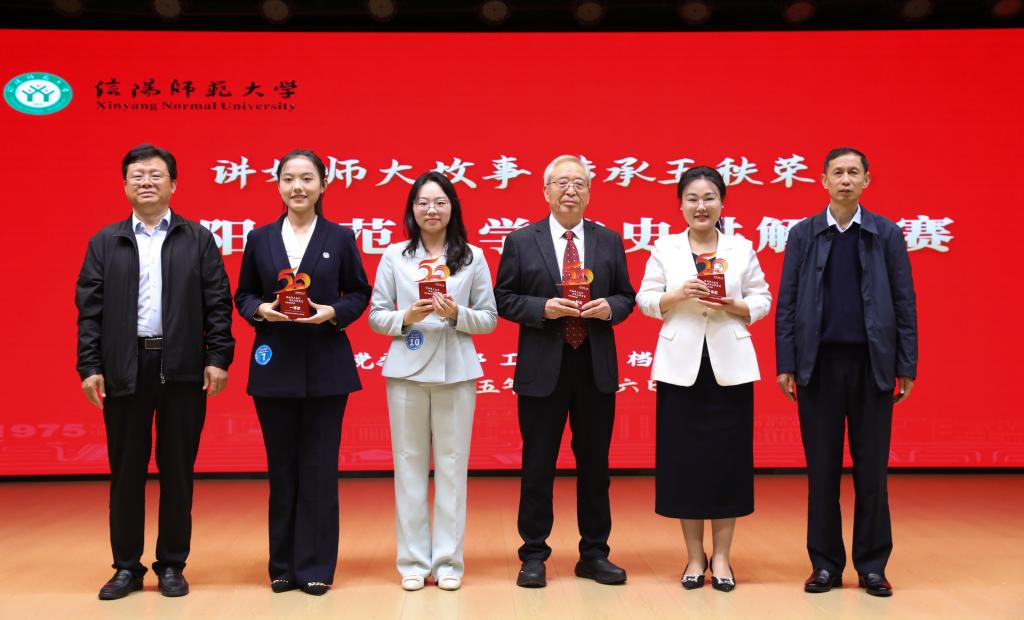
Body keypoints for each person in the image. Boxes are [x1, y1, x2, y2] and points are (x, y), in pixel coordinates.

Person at [76, 144, 235, 600]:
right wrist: (90, 365)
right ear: (125, 184)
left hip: (182, 366)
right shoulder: (106, 241)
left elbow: (217, 303)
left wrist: (218, 357)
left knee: (177, 471)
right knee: (126, 471)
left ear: (173, 184)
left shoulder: (197, 238)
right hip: (124, 367)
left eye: (156, 174)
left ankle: (171, 564)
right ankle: (126, 567)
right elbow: (89, 310)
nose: (146, 182)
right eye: (137, 175)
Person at [776, 147, 917, 598]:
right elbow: (787, 302)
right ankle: (825, 565)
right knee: (822, 473)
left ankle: (872, 566)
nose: (845, 180)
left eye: (854, 172)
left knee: (872, 473)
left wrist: (906, 364)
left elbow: (904, 302)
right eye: (837, 172)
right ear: (823, 180)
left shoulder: (886, 234)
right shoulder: (803, 234)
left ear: (866, 181)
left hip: (872, 365)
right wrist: (786, 362)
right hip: (817, 367)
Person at [494, 154, 636, 588]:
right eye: (561, 182)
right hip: (543, 367)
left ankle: (594, 554)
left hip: (594, 366)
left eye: (579, 183)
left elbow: (627, 296)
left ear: (589, 192)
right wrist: (543, 308)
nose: (570, 190)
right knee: (538, 464)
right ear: (546, 191)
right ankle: (534, 554)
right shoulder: (521, 240)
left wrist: (609, 307)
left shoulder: (609, 240)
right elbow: (503, 297)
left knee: (595, 467)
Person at [234, 149, 371, 596]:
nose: (298, 187)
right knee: (282, 469)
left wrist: (333, 312)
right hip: (274, 367)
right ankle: (282, 565)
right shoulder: (259, 238)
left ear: (323, 185)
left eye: (307, 178)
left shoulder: (340, 236)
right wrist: (262, 310)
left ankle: (316, 566)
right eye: (289, 178)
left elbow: (359, 292)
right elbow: (243, 295)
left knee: (319, 469)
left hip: (326, 367)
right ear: (278, 185)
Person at [635, 166, 771, 592]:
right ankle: (695, 558)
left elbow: (762, 297)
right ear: (680, 205)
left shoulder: (741, 247)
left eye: (709, 197)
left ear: (722, 203)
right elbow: (645, 299)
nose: (701, 206)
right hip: (681, 369)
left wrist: (735, 305)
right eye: (692, 198)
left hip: (730, 368)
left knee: (728, 464)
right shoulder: (666, 247)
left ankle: (723, 558)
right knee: (685, 465)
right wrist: (678, 295)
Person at [368, 171, 497, 592]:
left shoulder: (473, 257)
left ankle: (447, 562)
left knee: (452, 467)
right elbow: (376, 316)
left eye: (440, 202)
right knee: (408, 465)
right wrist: (407, 316)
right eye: (423, 202)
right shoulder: (395, 256)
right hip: (406, 371)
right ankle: (412, 561)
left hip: (456, 371)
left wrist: (457, 313)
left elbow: (490, 318)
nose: (431, 210)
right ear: (412, 210)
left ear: (452, 208)